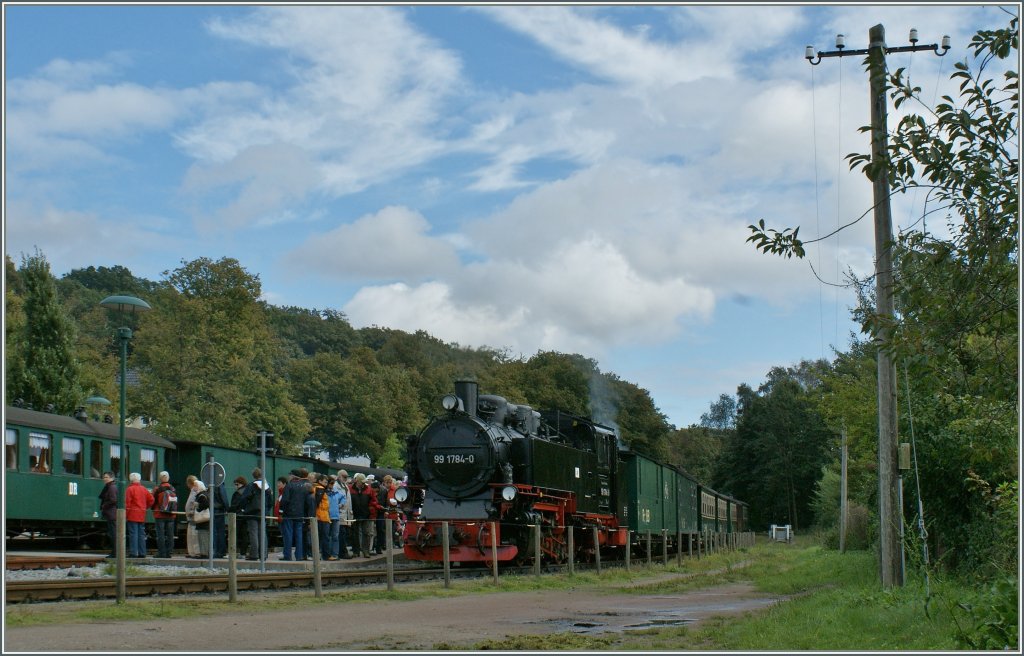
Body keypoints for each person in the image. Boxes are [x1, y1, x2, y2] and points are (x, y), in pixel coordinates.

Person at [237, 468, 273, 560]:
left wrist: (242, 508)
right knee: (262, 534)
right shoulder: (267, 486)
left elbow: (244, 499)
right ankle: (263, 554)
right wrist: (266, 510)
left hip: (252, 512)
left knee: (253, 533)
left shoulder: (251, 486)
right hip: (263, 512)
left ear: (253, 476)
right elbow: (270, 502)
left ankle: (254, 554)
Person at [278, 470, 310, 560]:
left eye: (289, 475)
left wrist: (281, 512)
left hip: (289, 514)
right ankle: (299, 556)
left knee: (288, 535)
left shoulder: (289, 486)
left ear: (292, 476)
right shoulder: (304, 487)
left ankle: (287, 556)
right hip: (300, 514)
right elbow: (307, 502)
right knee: (299, 536)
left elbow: (285, 500)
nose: (288, 477)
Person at [350, 473, 380, 558]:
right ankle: (356, 551)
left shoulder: (369, 490)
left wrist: (371, 511)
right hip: (354, 514)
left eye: (364, 482)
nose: (363, 484)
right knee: (354, 534)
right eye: (361, 482)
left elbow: (374, 501)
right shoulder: (350, 489)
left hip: (366, 514)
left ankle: (366, 551)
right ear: (357, 481)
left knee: (366, 533)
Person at [125, 472, 154, 558]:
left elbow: (127, 503)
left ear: (131, 480)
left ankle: (133, 553)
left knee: (133, 534)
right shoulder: (144, 489)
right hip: (142, 514)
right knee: (141, 534)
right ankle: (142, 553)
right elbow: (151, 500)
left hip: (132, 514)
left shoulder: (129, 489)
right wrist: (145, 507)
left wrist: (125, 515)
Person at [152, 471, 177, 558]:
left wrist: (153, 509)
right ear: (168, 478)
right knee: (170, 534)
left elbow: (152, 501)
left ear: (160, 478)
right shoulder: (173, 488)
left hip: (160, 514)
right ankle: (168, 552)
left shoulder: (157, 489)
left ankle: (161, 553)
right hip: (171, 515)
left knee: (161, 535)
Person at [228, 475, 250, 556]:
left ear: (241, 484)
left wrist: (229, 509)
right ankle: (243, 552)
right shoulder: (248, 491)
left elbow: (234, 505)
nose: (235, 486)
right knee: (245, 535)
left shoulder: (237, 494)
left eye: (237, 484)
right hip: (246, 516)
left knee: (234, 535)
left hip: (237, 516)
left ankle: (234, 552)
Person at [98, 471, 118, 558]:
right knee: (112, 533)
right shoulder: (109, 487)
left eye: (106, 477)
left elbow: (113, 500)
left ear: (111, 478)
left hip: (112, 513)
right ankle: (114, 552)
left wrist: (104, 505)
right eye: (104, 477)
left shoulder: (111, 487)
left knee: (113, 534)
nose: (104, 479)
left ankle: (115, 553)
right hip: (110, 513)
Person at [314, 474, 332, 559]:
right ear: (320, 481)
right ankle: (326, 555)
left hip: (321, 515)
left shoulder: (316, 488)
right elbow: (317, 503)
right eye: (325, 482)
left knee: (320, 537)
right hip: (322, 516)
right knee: (325, 537)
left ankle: (320, 554)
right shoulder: (320, 489)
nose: (326, 483)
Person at [183, 475, 201, 558]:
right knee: (190, 535)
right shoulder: (193, 491)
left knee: (194, 535)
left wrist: (191, 511)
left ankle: (196, 552)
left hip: (193, 516)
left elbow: (193, 503)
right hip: (190, 517)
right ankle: (192, 552)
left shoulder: (195, 492)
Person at [193, 480, 211, 557]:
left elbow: (206, 504)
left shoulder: (202, 495)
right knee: (202, 536)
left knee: (203, 536)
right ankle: (204, 553)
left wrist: (197, 506)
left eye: (196, 486)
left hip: (203, 520)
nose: (194, 488)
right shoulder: (203, 494)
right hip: (203, 521)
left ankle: (204, 554)